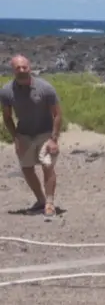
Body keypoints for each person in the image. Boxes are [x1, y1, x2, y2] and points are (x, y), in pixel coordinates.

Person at [1, 55, 62, 217]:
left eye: (24, 67)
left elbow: (57, 114)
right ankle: (40, 200)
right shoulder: (7, 91)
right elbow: (7, 117)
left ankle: (49, 203)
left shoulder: (45, 88)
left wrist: (54, 139)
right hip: (24, 135)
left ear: (30, 67)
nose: (22, 70)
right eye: (18, 68)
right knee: (27, 168)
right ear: (13, 70)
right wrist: (16, 137)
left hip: (45, 133)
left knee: (47, 165)